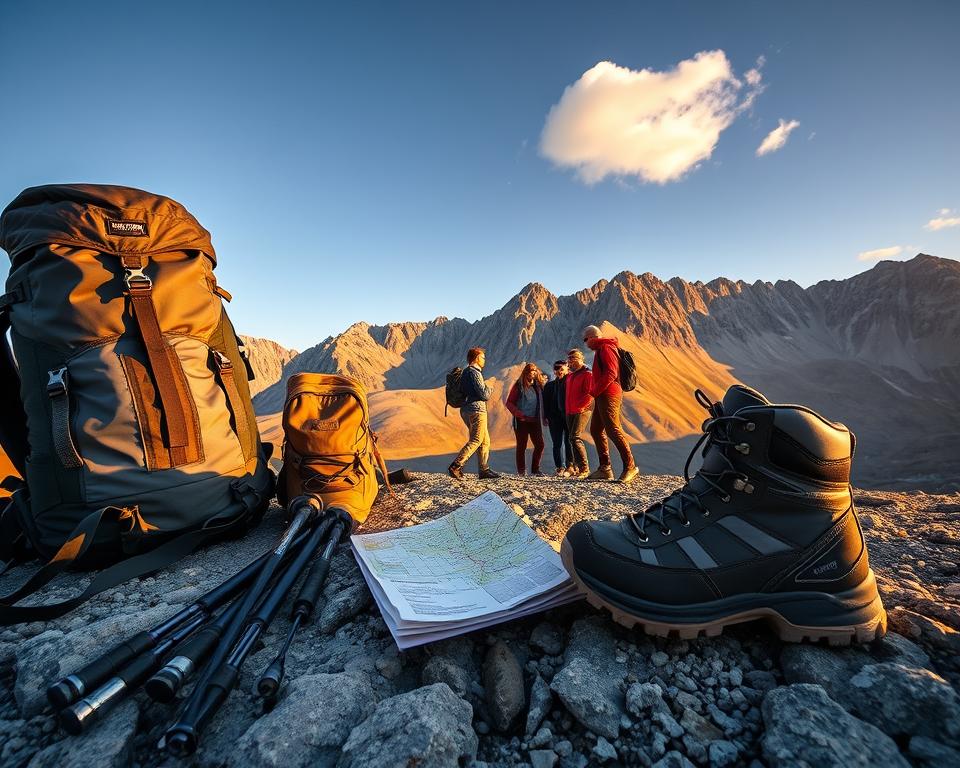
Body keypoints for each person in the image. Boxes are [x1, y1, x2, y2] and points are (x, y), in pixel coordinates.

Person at [583, 325, 638, 483]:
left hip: (609, 394)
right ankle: (605, 468)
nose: (586, 343)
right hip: (603, 394)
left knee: (613, 429)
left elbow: (611, 373)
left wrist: (595, 390)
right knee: (596, 429)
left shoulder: (606, 348)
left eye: (586, 339)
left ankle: (630, 467)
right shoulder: (602, 349)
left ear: (593, 337)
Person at [449, 347, 501, 480]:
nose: (484, 360)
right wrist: (489, 388)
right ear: (477, 358)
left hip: (467, 409)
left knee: (485, 441)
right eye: (483, 357)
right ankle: (456, 465)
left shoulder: (466, 372)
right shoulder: (474, 372)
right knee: (477, 439)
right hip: (476, 410)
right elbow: (483, 394)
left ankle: (484, 470)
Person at [505, 363, 546, 476]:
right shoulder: (519, 386)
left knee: (540, 444)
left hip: (535, 420)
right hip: (521, 421)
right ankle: (522, 471)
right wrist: (518, 414)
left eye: (534, 370)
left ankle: (535, 469)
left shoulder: (537, 386)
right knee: (522, 446)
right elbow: (509, 402)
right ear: (525, 372)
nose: (532, 373)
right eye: (530, 371)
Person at [564, 349, 593, 479]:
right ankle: (577, 468)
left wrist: (581, 407)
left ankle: (584, 469)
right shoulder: (570, 376)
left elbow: (590, 393)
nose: (571, 361)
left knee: (575, 437)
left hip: (582, 411)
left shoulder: (587, 374)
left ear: (581, 359)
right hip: (570, 411)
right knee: (571, 438)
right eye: (569, 358)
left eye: (574, 358)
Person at [543, 359, 573, 476]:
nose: (559, 371)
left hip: (568, 416)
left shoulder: (570, 384)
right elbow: (545, 403)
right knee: (557, 443)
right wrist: (546, 417)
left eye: (561, 368)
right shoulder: (549, 386)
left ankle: (570, 466)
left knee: (569, 441)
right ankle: (559, 467)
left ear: (566, 369)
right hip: (554, 418)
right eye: (556, 369)